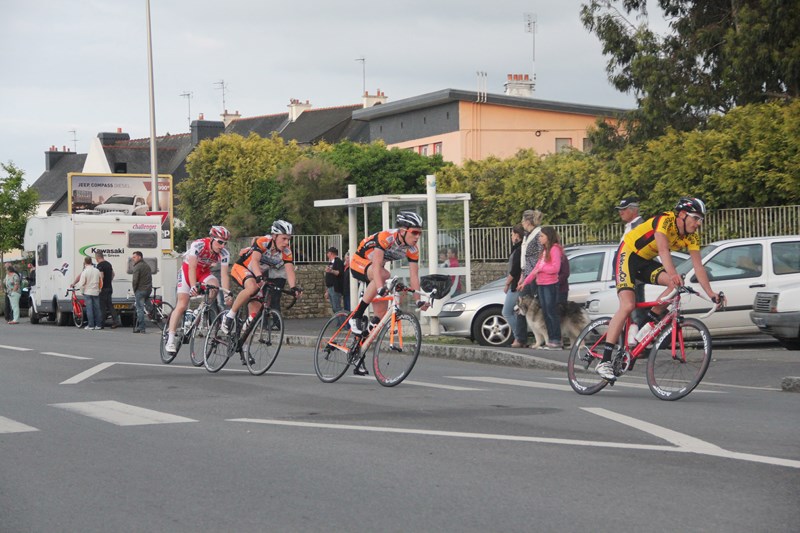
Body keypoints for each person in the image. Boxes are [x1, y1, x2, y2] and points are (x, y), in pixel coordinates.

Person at [596, 197, 724, 381]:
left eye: (701, 220)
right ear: (682, 214)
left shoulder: (692, 236)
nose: (698, 224)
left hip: (645, 262)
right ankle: (604, 361)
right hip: (627, 255)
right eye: (696, 218)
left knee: (674, 285)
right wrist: (673, 274)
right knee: (628, 305)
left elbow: (698, 267)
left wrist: (711, 294)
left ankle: (646, 324)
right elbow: (663, 251)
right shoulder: (665, 221)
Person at [348, 211, 430, 374]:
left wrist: (418, 299)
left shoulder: (412, 249)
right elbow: (377, 265)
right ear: (403, 231)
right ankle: (356, 316)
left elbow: (414, 276)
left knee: (379, 317)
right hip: (360, 262)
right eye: (414, 232)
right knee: (385, 275)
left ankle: (358, 353)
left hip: (375, 271)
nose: (417, 237)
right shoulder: (386, 238)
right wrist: (381, 288)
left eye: (419, 233)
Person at [222, 220, 302, 338]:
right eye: (284, 238)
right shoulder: (264, 242)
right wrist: (259, 277)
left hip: (256, 275)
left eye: (288, 239)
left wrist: (293, 287)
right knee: (252, 287)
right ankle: (229, 316)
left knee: (258, 306)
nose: (286, 242)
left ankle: (242, 334)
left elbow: (289, 270)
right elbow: (254, 261)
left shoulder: (286, 252)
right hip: (242, 268)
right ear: (274, 236)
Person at [165, 226, 232, 354]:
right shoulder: (199, 245)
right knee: (182, 304)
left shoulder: (224, 253)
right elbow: (192, 267)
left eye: (225, 243)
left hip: (203, 273)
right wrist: (193, 286)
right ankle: (170, 339)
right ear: (212, 239)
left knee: (214, 286)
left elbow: (224, 275)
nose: (222, 246)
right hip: (187, 271)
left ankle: (198, 310)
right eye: (220, 242)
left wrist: (226, 294)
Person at [518, 226, 564, 349]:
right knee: (546, 312)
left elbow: (555, 268)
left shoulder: (554, 249)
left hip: (550, 285)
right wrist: (525, 282)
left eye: (542, 236)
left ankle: (556, 339)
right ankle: (551, 339)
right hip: (541, 284)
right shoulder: (544, 251)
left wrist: (542, 268)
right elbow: (535, 270)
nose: (539, 238)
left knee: (551, 312)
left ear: (548, 237)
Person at [615, 196, 646, 332]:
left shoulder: (639, 227)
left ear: (634, 210)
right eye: (619, 209)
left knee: (636, 314)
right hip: (626, 275)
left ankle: (639, 342)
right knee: (632, 313)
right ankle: (634, 341)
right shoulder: (630, 227)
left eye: (624, 209)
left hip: (633, 276)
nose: (620, 212)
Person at [517, 209, 544, 342]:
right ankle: (521, 338)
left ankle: (540, 336)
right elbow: (525, 259)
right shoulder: (527, 235)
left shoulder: (538, 234)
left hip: (535, 275)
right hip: (527, 274)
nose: (522, 223)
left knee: (536, 306)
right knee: (521, 303)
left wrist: (534, 272)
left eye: (523, 220)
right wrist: (522, 276)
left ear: (528, 221)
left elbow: (541, 254)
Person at [502, 224, 527, 348]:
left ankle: (518, 337)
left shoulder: (519, 250)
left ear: (517, 235)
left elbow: (515, 269)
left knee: (506, 311)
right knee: (516, 312)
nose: (511, 237)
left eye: (512, 234)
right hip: (516, 284)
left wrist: (507, 283)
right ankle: (519, 337)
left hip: (516, 285)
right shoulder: (517, 248)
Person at [72, 256, 102, 330]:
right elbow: (101, 281)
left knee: (89, 309)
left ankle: (91, 325)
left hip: (87, 292)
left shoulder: (85, 272)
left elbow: (81, 283)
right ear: (91, 262)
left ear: (85, 262)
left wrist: (82, 291)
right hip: (96, 292)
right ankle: (98, 325)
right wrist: (99, 290)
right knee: (97, 309)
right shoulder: (97, 271)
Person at [95, 251, 120, 329]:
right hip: (109, 287)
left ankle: (101, 324)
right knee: (110, 305)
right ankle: (116, 321)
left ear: (97, 257)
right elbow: (113, 274)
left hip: (103, 289)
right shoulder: (108, 264)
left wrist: (99, 286)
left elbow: (101, 276)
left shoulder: (100, 265)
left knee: (102, 306)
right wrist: (109, 281)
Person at [131, 251, 153, 333]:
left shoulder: (137, 267)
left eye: (134, 257)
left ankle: (141, 328)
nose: (133, 259)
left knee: (139, 309)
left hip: (140, 290)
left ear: (139, 257)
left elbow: (135, 280)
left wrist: (134, 289)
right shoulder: (147, 266)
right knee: (147, 304)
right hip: (148, 289)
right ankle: (153, 313)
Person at [324, 246, 345, 326]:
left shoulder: (338, 262)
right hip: (330, 288)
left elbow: (339, 273)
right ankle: (339, 323)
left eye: (328, 253)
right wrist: (327, 291)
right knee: (334, 307)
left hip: (335, 287)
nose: (327, 254)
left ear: (331, 253)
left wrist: (331, 271)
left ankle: (343, 324)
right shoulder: (330, 263)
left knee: (337, 307)